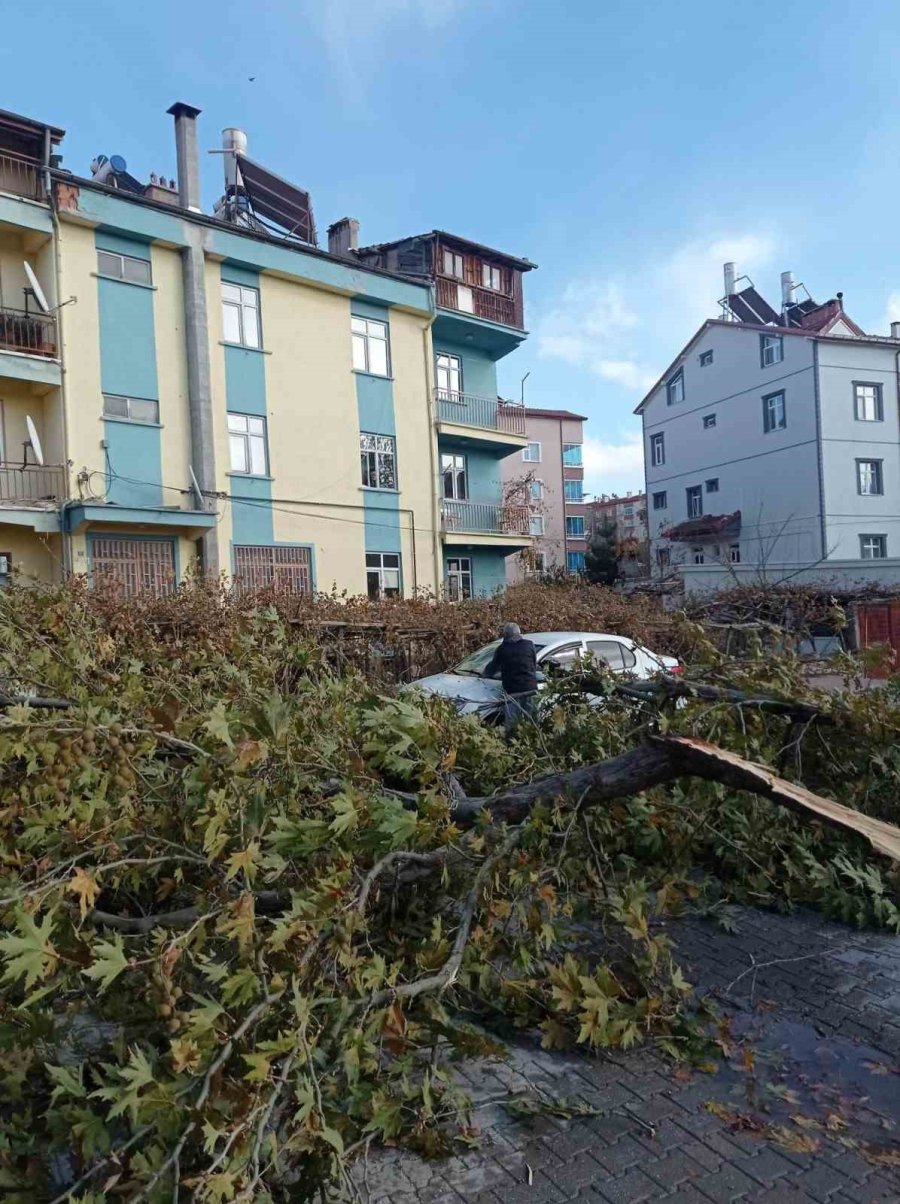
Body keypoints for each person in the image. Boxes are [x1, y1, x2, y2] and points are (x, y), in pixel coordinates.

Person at [484, 623, 538, 739]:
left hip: (513, 693)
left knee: (511, 726)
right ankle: (535, 744)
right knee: (533, 722)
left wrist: (483, 675)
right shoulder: (529, 645)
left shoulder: (502, 649)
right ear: (519, 633)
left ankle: (511, 747)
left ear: (505, 635)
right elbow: (533, 664)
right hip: (531, 689)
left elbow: (492, 668)